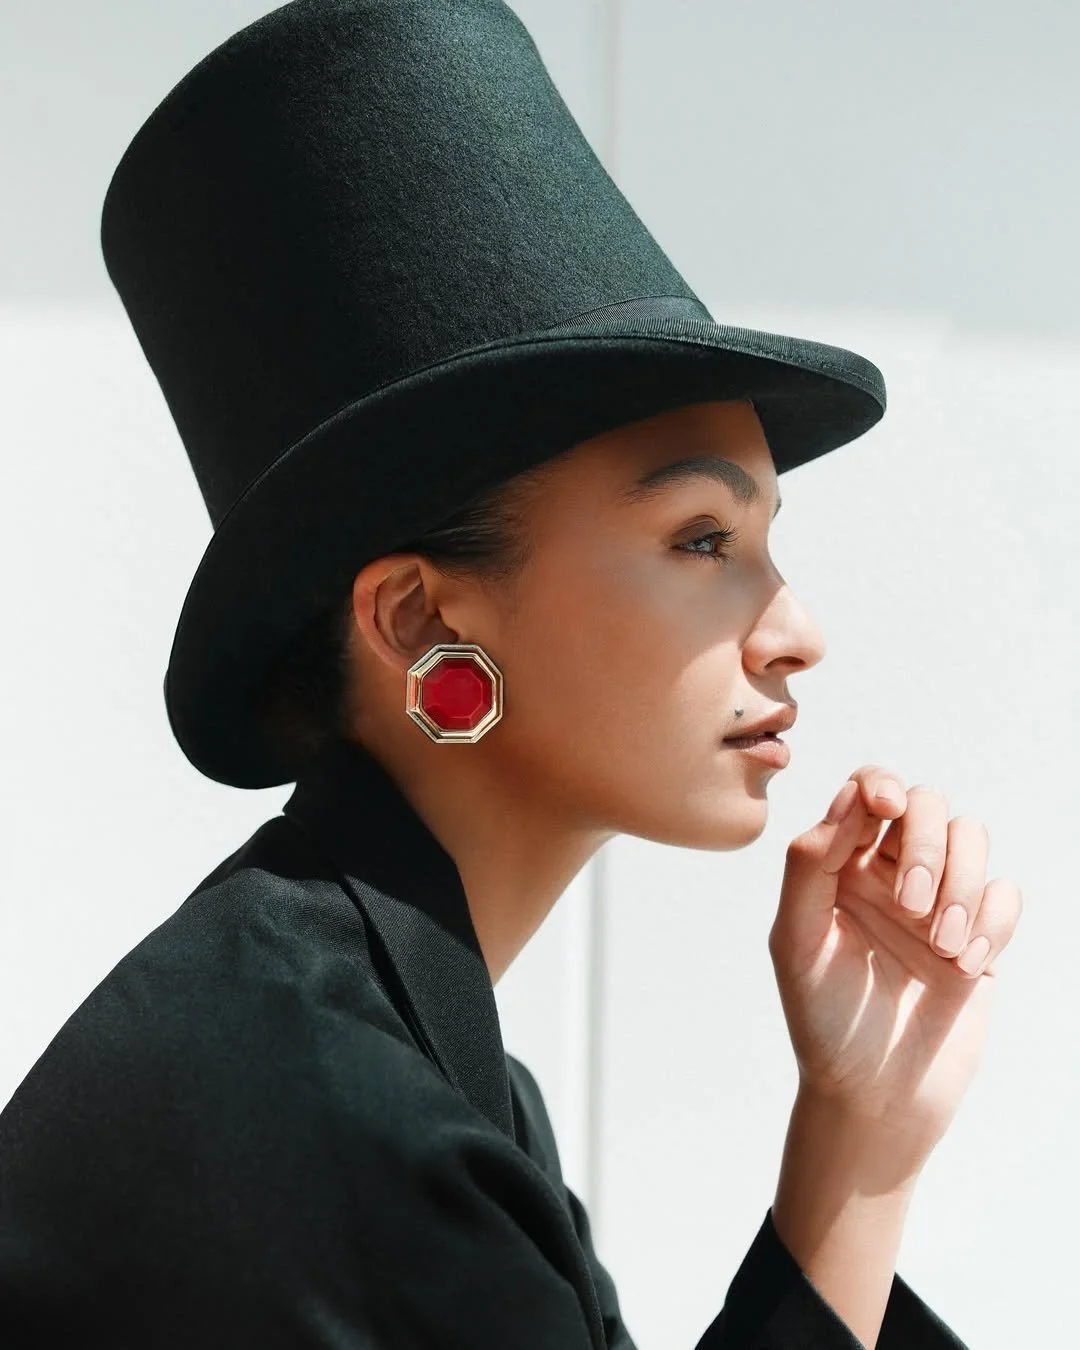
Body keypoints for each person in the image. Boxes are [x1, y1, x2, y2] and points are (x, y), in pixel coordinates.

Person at [0, 1, 1020, 1346]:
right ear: (422, 622)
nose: (795, 629)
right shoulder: (336, 1122)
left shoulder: (413, 1060)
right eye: (701, 537)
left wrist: (862, 1136)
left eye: (767, 541)